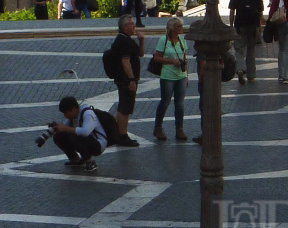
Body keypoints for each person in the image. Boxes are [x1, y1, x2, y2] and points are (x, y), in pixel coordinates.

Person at [152, 17, 189, 141]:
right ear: (173, 28)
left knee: (180, 104)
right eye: (179, 26)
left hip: (181, 76)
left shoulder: (182, 40)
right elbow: (157, 58)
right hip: (167, 76)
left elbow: (185, 58)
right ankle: (158, 127)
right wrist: (171, 61)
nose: (182, 28)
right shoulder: (164, 40)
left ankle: (179, 129)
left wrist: (187, 75)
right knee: (165, 102)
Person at [110, 14, 144, 146]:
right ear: (124, 27)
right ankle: (122, 135)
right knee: (125, 107)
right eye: (132, 24)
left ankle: (122, 134)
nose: (134, 26)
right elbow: (125, 61)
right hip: (125, 79)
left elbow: (140, 54)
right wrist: (131, 79)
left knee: (126, 106)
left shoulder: (127, 39)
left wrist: (141, 41)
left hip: (126, 78)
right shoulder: (123, 41)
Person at [51, 95, 106, 172]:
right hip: (86, 140)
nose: (65, 116)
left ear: (73, 109)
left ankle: (90, 161)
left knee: (73, 134)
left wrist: (66, 128)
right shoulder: (72, 117)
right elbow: (66, 129)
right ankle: (75, 160)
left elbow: (85, 132)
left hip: (98, 144)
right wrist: (58, 128)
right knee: (59, 136)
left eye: (66, 113)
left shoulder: (87, 114)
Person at [227, 0, 263, 86]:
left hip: (240, 24)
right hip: (253, 25)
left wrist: (231, 25)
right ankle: (251, 76)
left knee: (239, 50)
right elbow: (261, 11)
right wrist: (258, 24)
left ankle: (241, 69)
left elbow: (232, 10)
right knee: (251, 51)